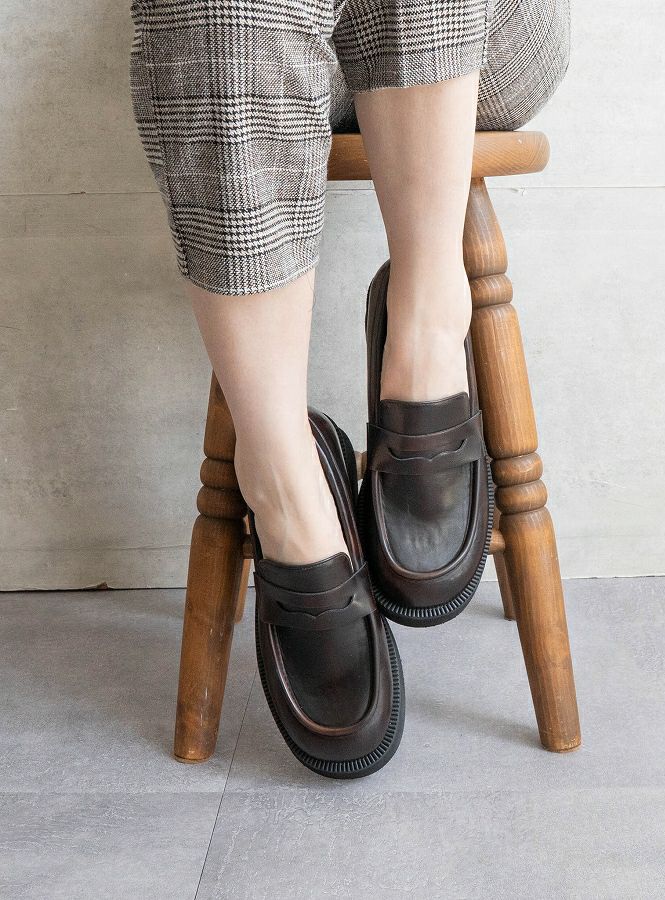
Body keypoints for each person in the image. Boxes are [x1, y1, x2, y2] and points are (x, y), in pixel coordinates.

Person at [129, 0, 570, 779]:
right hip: (256, 41)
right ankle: (282, 476)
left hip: (487, 41)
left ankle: (427, 324)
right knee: (226, 12)